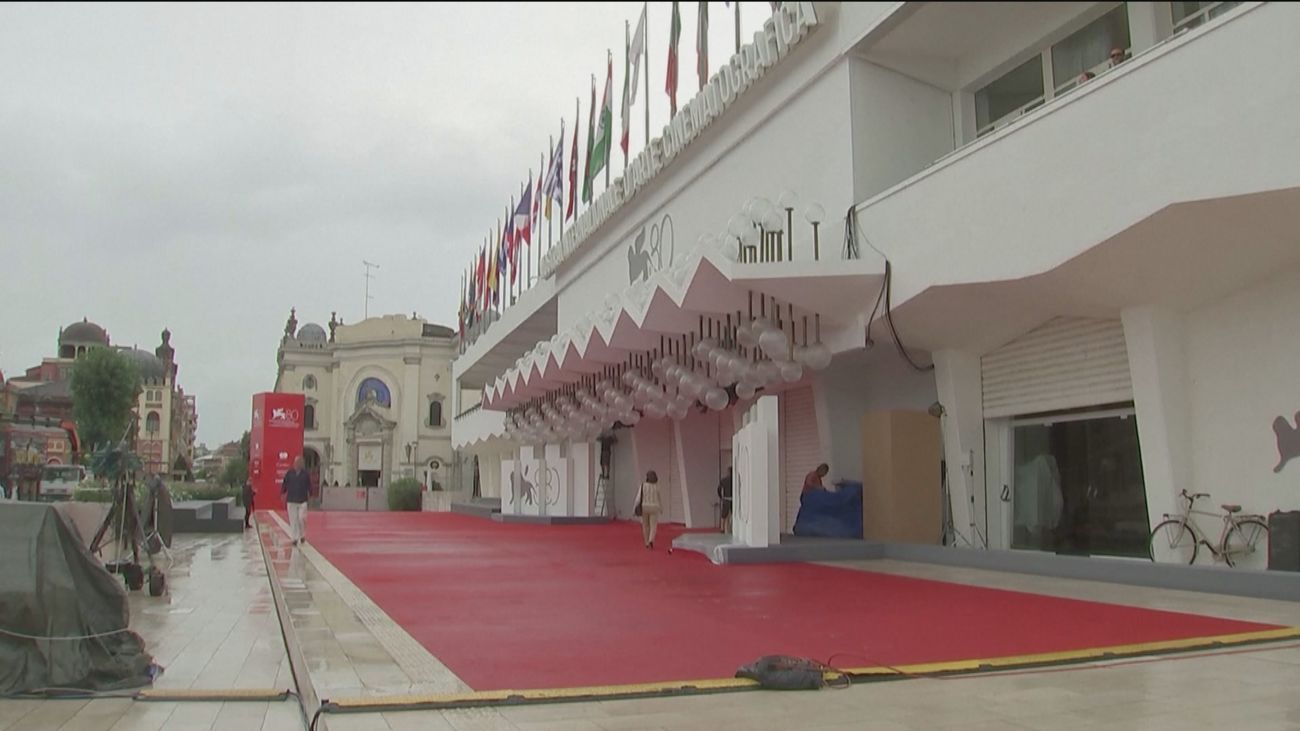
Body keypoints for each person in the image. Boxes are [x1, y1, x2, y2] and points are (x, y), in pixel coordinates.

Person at [281, 456, 312, 545]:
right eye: (297, 462)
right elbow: (285, 484)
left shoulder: (305, 474)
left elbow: (309, 485)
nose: (298, 464)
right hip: (291, 499)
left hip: (302, 500)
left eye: (300, 462)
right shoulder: (289, 473)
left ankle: (302, 535)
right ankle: (294, 538)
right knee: (293, 520)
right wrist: (283, 492)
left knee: (301, 518)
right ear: (294, 463)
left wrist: (311, 493)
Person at [634, 470, 663, 550]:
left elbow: (638, 498)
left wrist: (634, 508)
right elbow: (659, 498)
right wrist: (661, 508)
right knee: (653, 526)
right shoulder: (657, 486)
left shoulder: (643, 486)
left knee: (645, 526)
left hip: (644, 507)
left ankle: (646, 542)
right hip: (654, 507)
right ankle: (651, 540)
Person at [717, 467, 734, 533]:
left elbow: (719, 489)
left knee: (724, 515)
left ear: (728, 472)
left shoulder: (724, 480)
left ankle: (722, 528)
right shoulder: (735, 480)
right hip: (733, 499)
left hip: (726, 499)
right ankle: (731, 528)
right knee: (733, 515)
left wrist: (721, 497)